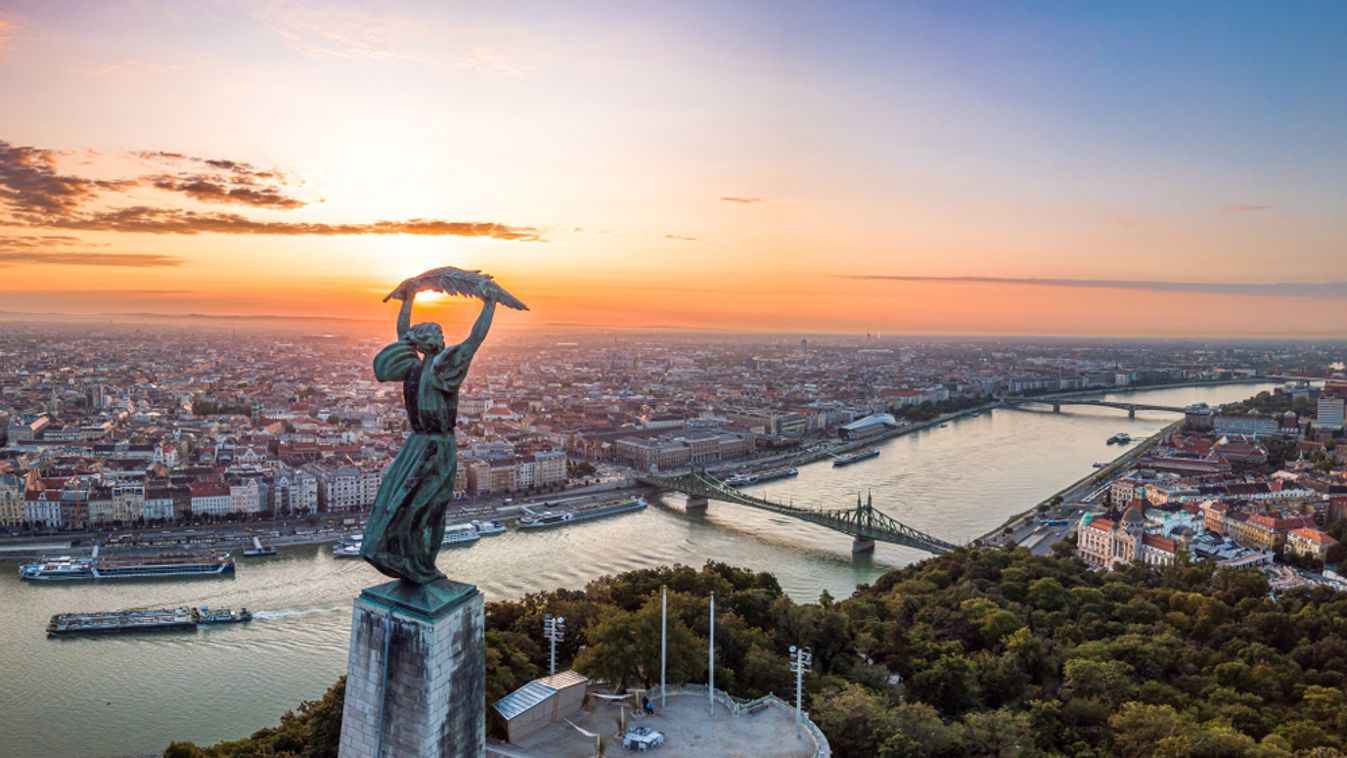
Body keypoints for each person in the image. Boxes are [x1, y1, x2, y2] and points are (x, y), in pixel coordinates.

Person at [359, 285, 496, 584]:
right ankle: (421, 563)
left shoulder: (411, 369)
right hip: (438, 445)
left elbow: (402, 334)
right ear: (427, 342)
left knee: (406, 500)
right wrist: (489, 304)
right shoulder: (442, 369)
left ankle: (406, 557)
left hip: (416, 445)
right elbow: (475, 339)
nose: (443, 337)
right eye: (437, 333)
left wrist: (409, 299)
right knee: (432, 506)